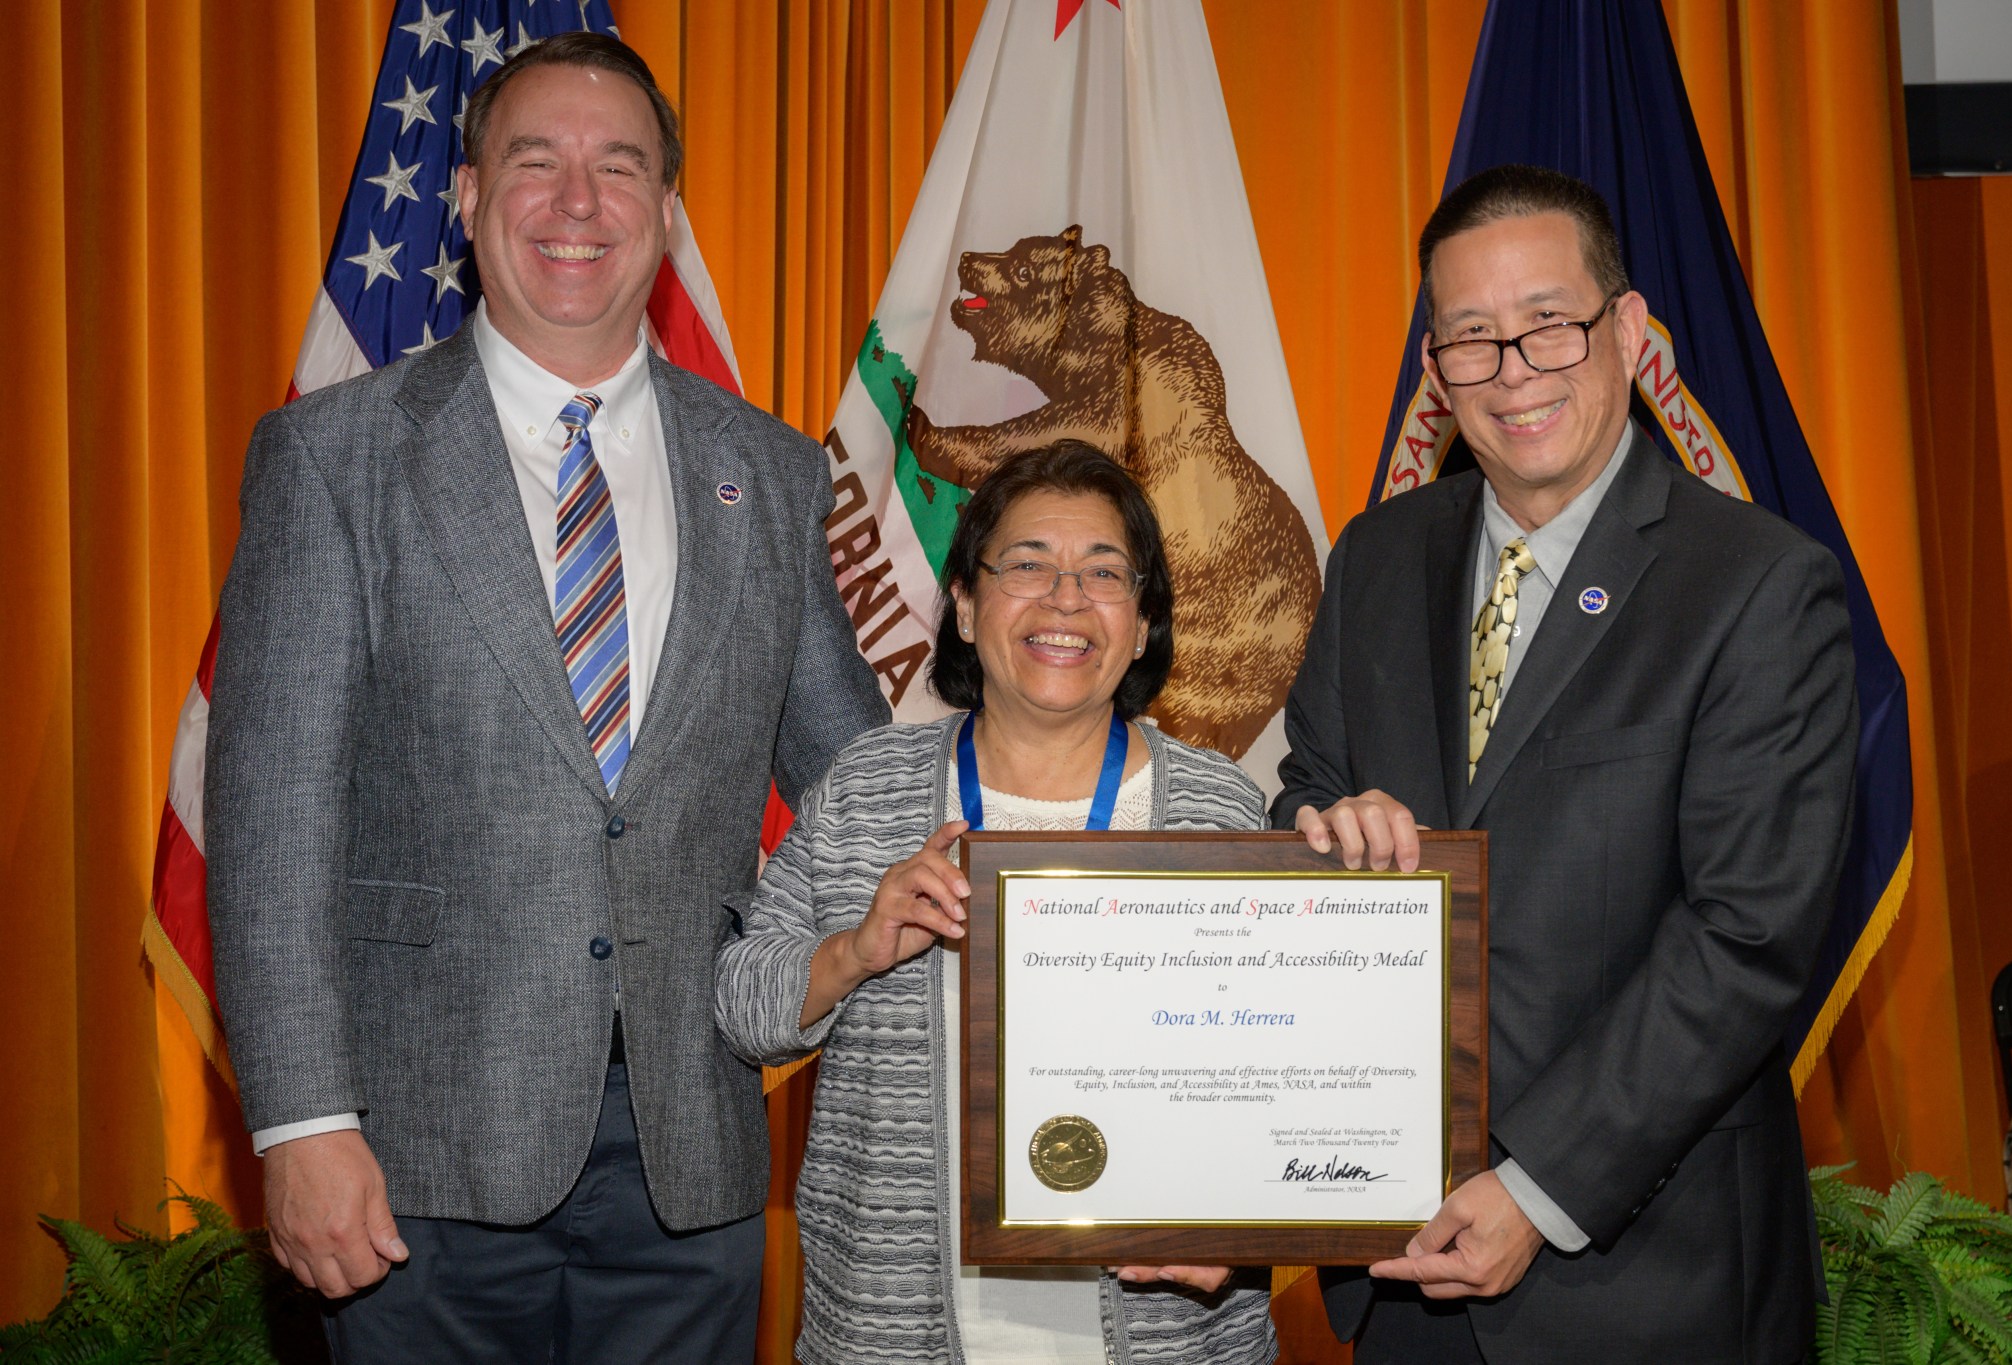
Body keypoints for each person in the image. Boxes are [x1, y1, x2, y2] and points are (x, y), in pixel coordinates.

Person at [204, 33, 888, 1362]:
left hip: (693, 1162)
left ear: (669, 214)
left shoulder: (771, 469)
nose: (580, 202)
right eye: (537, 163)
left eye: (619, 166)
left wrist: (1089, 814)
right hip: (413, 1165)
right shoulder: (331, 459)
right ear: (465, 198)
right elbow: (273, 821)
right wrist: (299, 1124)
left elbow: (861, 783)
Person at [1275, 164, 1857, 1363]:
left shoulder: (1754, 584)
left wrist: (1537, 1190)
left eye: (1548, 328)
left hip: (1649, 1274)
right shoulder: (1377, 556)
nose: (1511, 375)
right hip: (1400, 1264)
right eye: (1470, 341)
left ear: (1629, 333)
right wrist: (1324, 827)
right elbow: (1305, 793)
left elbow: (1747, 935)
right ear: (1434, 371)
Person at [715, 442, 1277, 1364]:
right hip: (893, 1327)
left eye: (1104, 572)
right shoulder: (868, 789)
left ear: (1141, 626)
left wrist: (1247, 1221)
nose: (1065, 597)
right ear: (968, 609)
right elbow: (742, 1007)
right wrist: (854, 949)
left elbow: (1283, 1076)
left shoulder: (1220, 812)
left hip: (1164, 1334)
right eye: (1026, 564)